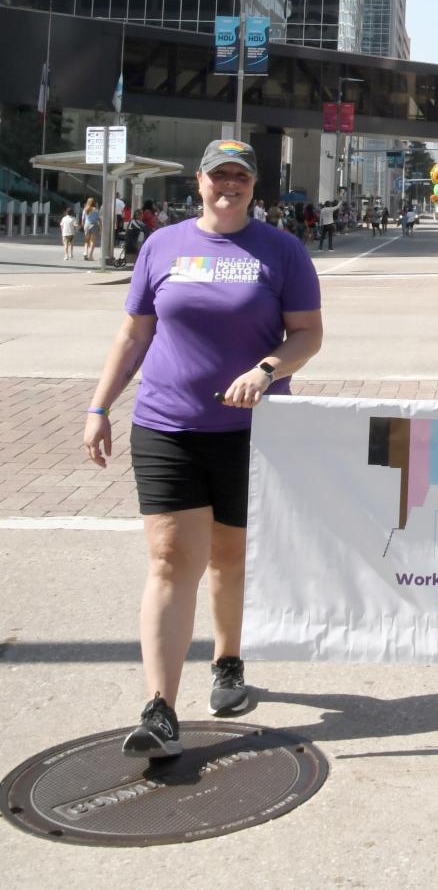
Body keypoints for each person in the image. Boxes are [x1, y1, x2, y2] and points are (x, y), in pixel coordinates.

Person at [83, 139, 322, 758]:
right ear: (200, 181)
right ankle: (159, 708)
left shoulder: (282, 250)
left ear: (254, 185)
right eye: (219, 175)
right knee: (169, 559)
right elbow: (134, 334)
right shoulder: (162, 246)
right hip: (167, 426)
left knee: (229, 556)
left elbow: (307, 334)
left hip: (253, 433)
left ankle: (228, 660)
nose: (229, 184)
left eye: (240, 175)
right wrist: (99, 406)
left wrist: (267, 370)